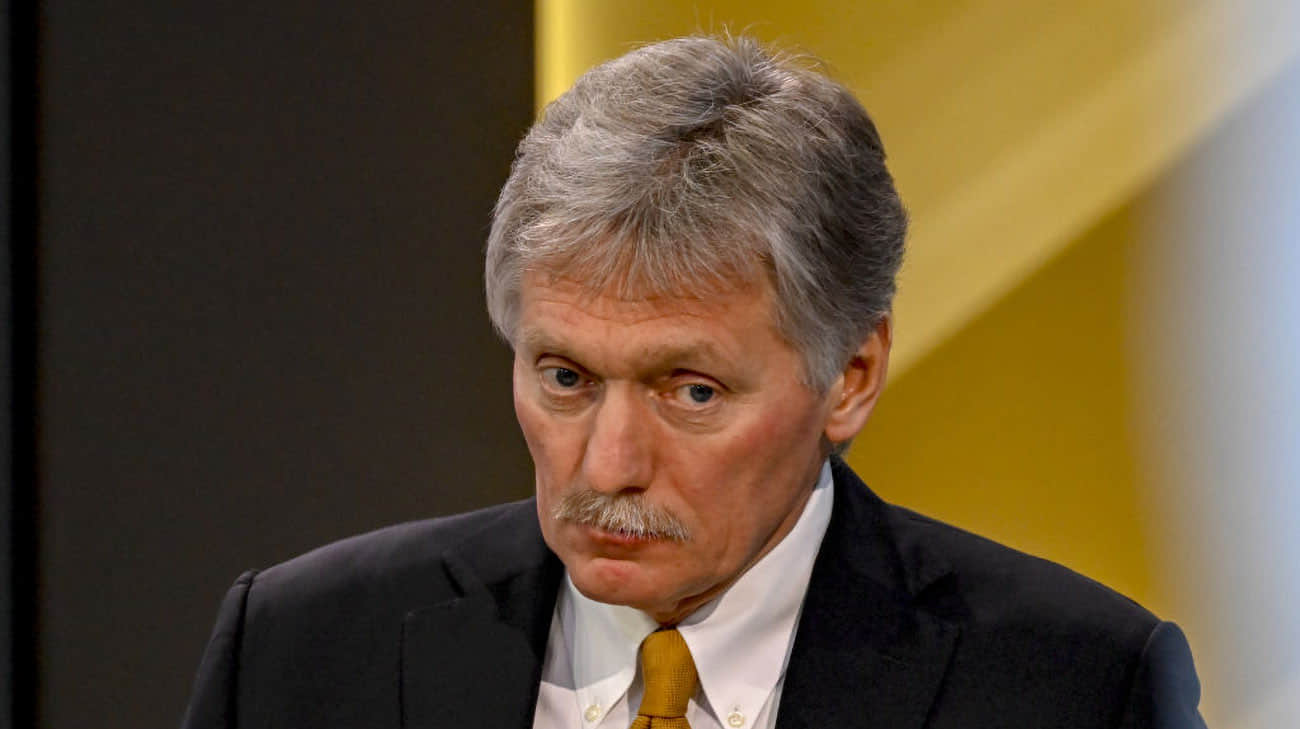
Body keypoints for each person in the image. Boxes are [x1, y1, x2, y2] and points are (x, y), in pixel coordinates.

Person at [181, 35, 1206, 729]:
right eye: (565, 377)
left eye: (691, 391)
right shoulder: (301, 651)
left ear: (850, 376)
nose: (608, 466)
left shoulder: (1076, 687)